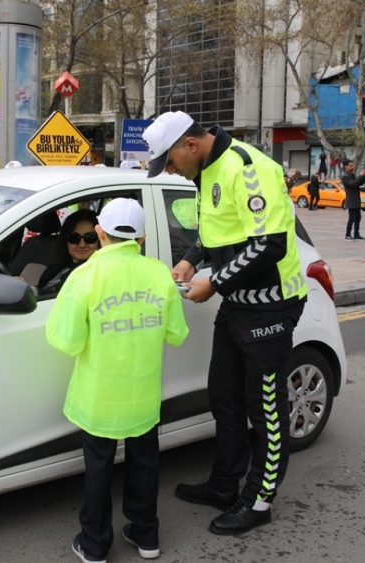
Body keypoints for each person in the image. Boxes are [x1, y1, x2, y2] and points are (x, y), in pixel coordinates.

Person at [143, 110, 307, 535]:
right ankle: (223, 484)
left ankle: (259, 500)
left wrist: (213, 281)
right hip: (238, 303)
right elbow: (214, 232)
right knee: (224, 396)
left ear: (190, 145)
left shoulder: (249, 168)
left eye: (172, 162)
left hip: (271, 305)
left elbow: (269, 245)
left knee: (266, 408)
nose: (173, 172)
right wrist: (189, 259)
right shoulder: (206, 171)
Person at [46, 198, 188, 563]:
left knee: (98, 469)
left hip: (99, 399)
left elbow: (67, 340)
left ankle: (94, 545)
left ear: (99, 233)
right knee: (145, 463)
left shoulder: (85, 276)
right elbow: (176, 333)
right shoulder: (158, 273)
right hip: (142, 395)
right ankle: (146, 536)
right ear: (141, 238)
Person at [38, 209, 100, 292]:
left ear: (100, 239)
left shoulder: (97, 274)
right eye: (74, 238)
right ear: (65, 240)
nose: (82, 245)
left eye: (90, 238)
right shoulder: (57, 267)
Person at [341, 159, 365, 240]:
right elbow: (353, 184)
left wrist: (364, 176)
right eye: (350, 165)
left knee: (358, 218)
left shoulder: (352, 175)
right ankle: (347, 234)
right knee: (351, 218)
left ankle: (356, 234)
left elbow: (359, 183)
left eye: (352, 165)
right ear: (346, 166)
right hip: (351, 200)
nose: (352, 167)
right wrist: (360, 176)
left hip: (356, 200)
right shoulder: (345, 176)